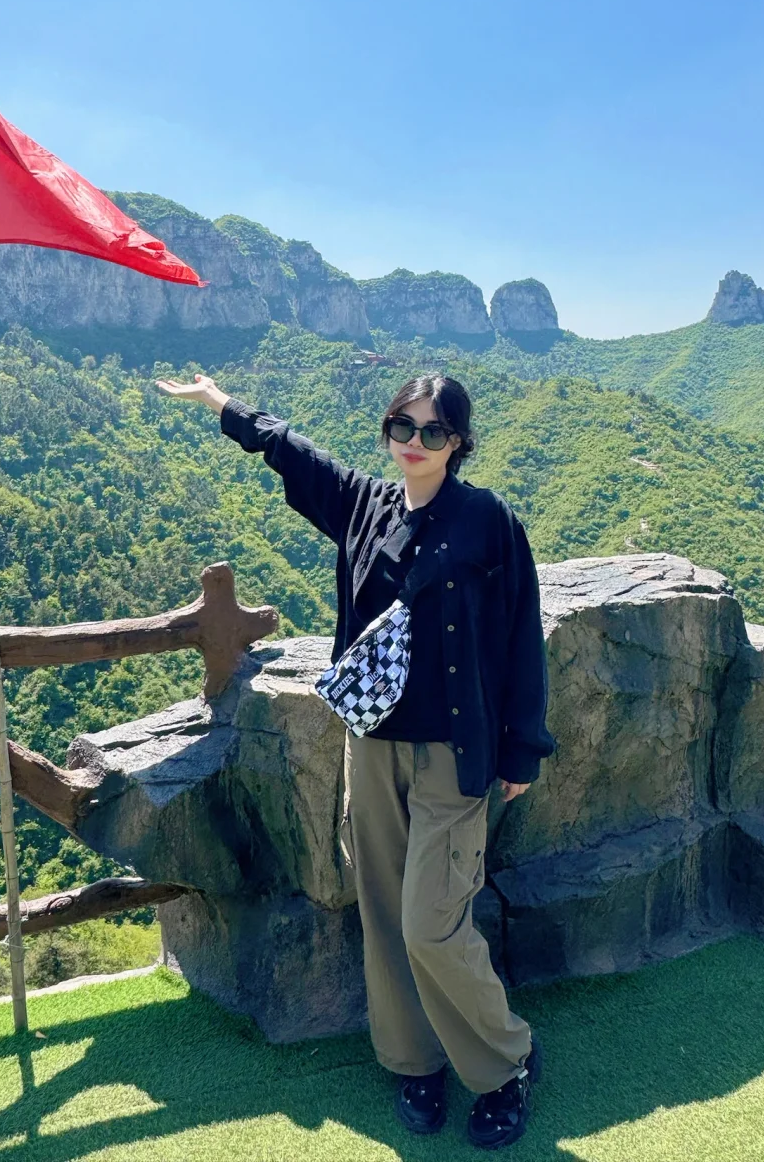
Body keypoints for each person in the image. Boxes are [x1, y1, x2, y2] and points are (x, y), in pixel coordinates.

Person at [155, 368, 556, 1149]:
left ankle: (506, 1062)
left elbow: (519, 633)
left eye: (433, 431)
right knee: (382, 907)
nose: (414, 443)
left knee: (431, 923)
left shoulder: (488, 521)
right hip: (372, 743)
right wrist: (219, 402)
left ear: (458, 442)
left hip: (455, 752)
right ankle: (414, 1062)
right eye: (403, 427)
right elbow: (292, 452)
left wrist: (523, 746)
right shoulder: (365, 505)